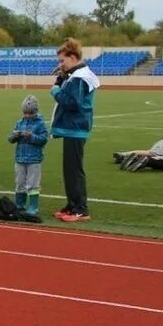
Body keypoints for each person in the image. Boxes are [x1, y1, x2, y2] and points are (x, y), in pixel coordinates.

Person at [50, 38, 101, 222]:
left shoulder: (80, 77)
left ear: (73, 57)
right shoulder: (75, 75)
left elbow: (73, 103)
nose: (60, 64)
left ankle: (80, 208)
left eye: (63, 61)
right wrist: (62, 77)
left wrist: (55, 91)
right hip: (72, 128)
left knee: (74, 170)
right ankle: (72, 205)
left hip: (76, 128)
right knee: (69, 170)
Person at [7, 95, 49, 216]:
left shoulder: (40, 123)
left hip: (34, 159)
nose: (27, 115)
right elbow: (10, 139)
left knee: (33, 184)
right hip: (20, 158)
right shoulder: (19, 122)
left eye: (30, 113)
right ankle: (19, 204)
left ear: (35, 111)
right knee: (19, 182)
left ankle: (33, 206)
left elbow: (43, 139)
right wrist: (14, 136)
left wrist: (31, 136)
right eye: (25, 113)